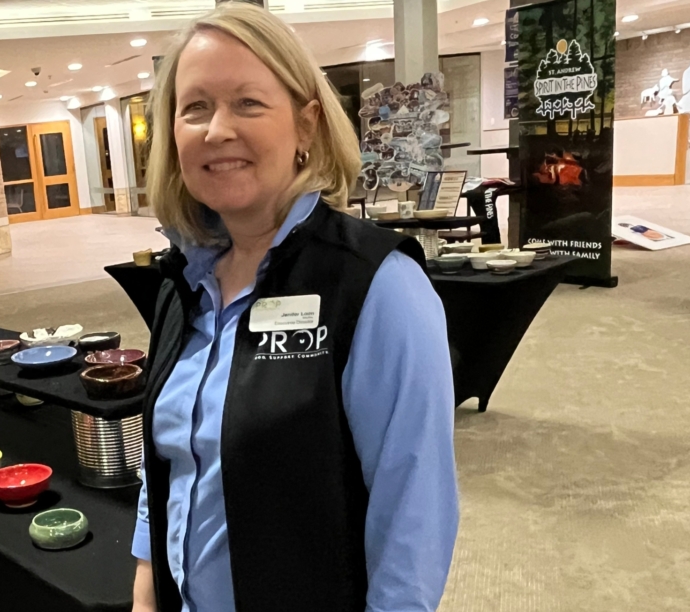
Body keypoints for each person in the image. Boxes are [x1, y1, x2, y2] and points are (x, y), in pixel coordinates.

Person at [131, 4, 459, 612]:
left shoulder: (377, 285)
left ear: (306, 125)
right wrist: (147, 595)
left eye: (248, 104)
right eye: (194, 106)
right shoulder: (184, 280)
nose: (216, 129)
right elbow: (168, 466)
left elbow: (415, 511)